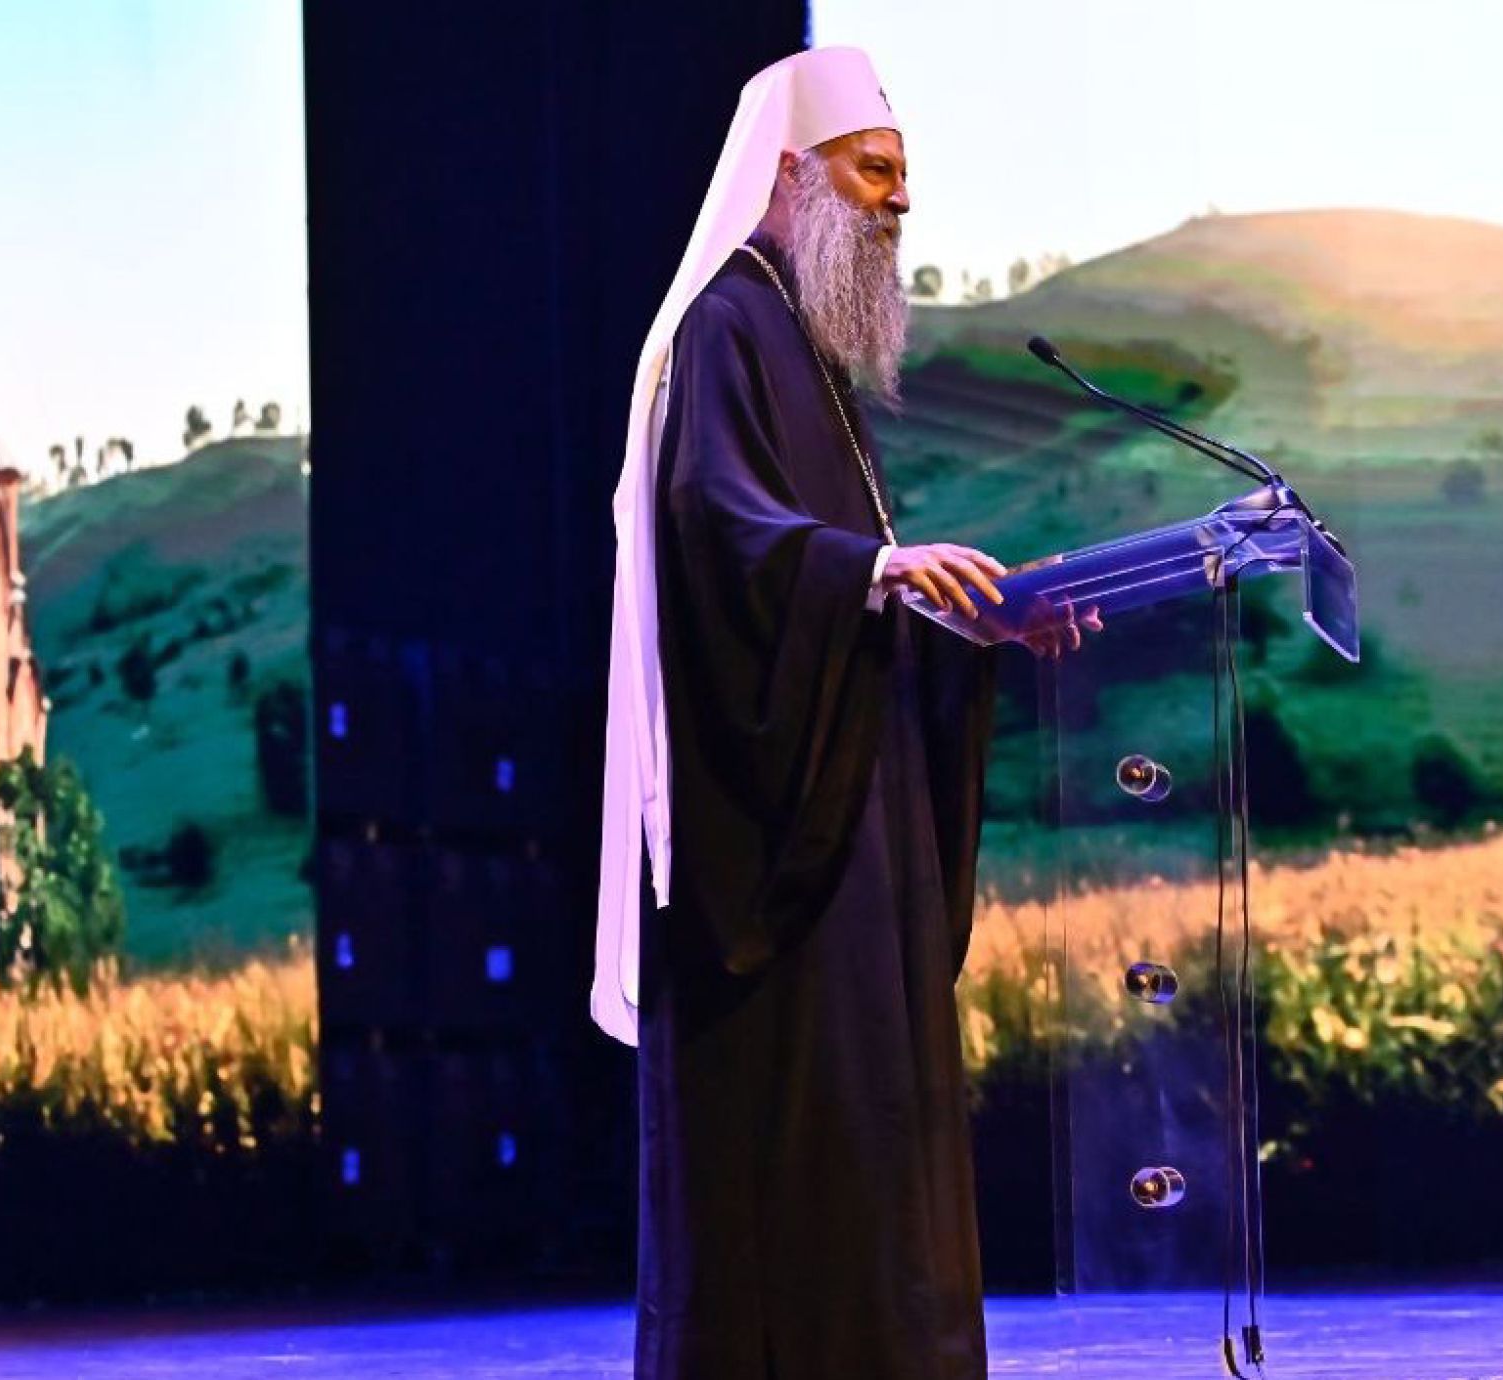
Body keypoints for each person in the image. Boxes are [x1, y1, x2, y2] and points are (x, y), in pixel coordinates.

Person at [589, 45, 1085, 1380]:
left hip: (852, 830)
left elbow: (831, 579)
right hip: (777, 863)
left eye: (903, 178)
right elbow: (722, 533)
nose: (898, 204)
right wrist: (870, 569)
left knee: (882, 1157)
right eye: (876, 173)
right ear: (791, 177)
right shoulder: (724, 327)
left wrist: (971, 618)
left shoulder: (796, 345)